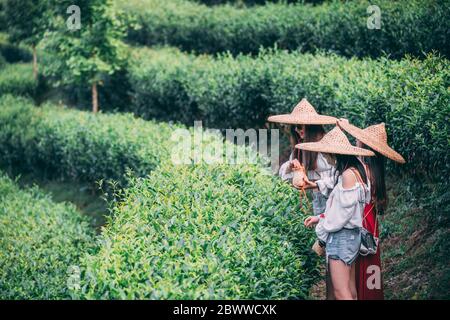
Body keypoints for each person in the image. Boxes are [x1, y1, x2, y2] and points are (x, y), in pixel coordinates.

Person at [298, 126, 375, 300]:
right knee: (350, 289)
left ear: (335, 154)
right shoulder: (358, 170)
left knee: (341, 292)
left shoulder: (348, 175)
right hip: (351, 236)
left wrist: (322, 233)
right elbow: (344, 210)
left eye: (326, 153)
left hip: (341, 237)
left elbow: (340, 217)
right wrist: (320, 217)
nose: (324, 156)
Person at [337, 119, 405, 300]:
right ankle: (371, 294)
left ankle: (360, 294)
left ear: (364, 144)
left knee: (358, 262)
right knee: (370, 263)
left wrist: (342, 129)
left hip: (360, 217)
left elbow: (345, 155)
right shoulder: (376, 170)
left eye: (360, 139)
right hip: (370, 219)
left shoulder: (362, 169)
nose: (357, 141)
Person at [267, 98, 337, 216]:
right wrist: (291, 166)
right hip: (316, 198)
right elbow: (285, 175)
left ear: (310, 126)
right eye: (295, 126)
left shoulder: (327, 145)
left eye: (299, 126)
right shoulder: (301, 148)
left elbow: (339, 175)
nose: (296, 130)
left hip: (333, 199)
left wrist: (316, 184)